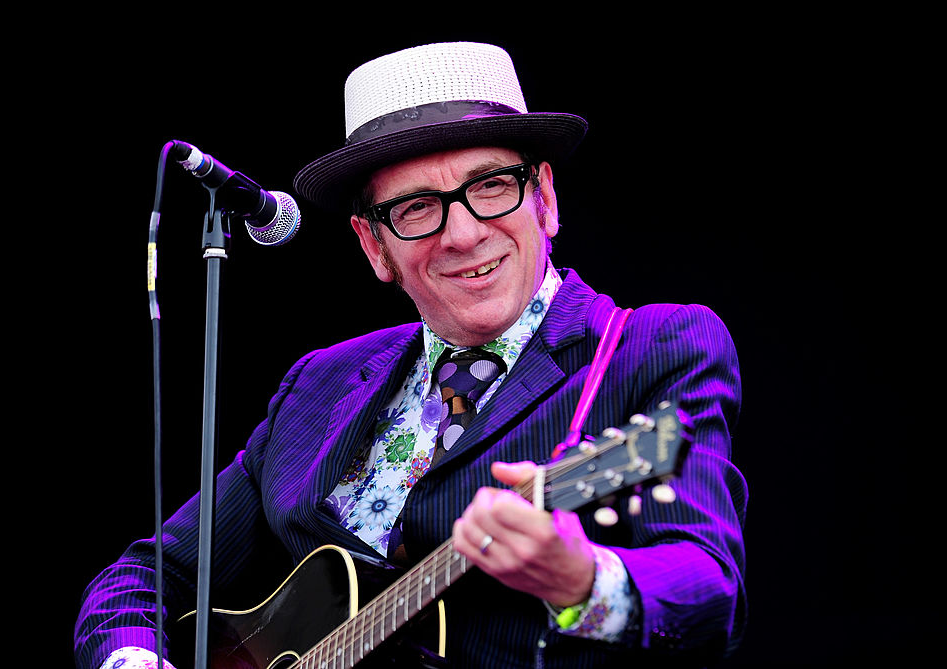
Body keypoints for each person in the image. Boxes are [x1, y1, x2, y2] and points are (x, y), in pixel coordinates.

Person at [75, 42, 747, 668]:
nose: (463, 233)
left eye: (491, 185)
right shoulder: (317, 382)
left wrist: (585, 580)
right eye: (418, 207)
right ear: (374, 246)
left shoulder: (650, 347)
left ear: (545, 196)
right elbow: (143, 578)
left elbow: (708, 585)